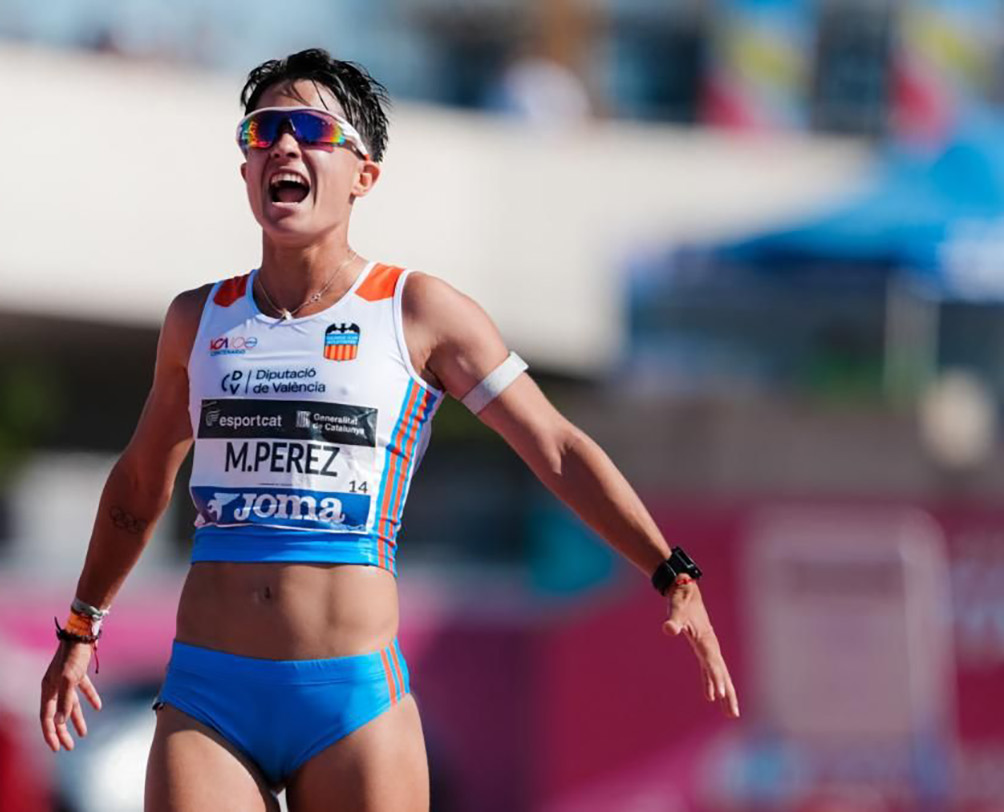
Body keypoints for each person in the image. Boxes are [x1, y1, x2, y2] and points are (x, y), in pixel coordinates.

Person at [39, 48, 740, 811]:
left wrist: (671, 571)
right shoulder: (196, 319)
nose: (284, 145)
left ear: (363, 175)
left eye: (312, 129)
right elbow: (141, 483)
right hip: (210, 694)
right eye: (265, 130)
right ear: (246, 169)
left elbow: (556, 446)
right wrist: (81, 626)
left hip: (351, 701)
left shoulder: (419, 312)